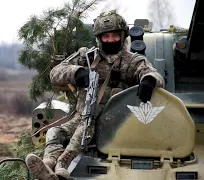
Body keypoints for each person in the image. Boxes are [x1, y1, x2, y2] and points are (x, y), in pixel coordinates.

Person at [25, 10, 165, 180]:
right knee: (55, 132)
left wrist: (148, 81)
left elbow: (153, 74)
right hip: (81, 116)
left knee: (80, 134)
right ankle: (47, 164)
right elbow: (55, 72)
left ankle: (62, 166)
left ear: (122, 35)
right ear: (99, 38)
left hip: (114, 122)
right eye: (106, 37)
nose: (111, 40)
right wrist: (76, 73)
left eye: (115, 36)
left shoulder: (131, 61)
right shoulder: (88, 56)